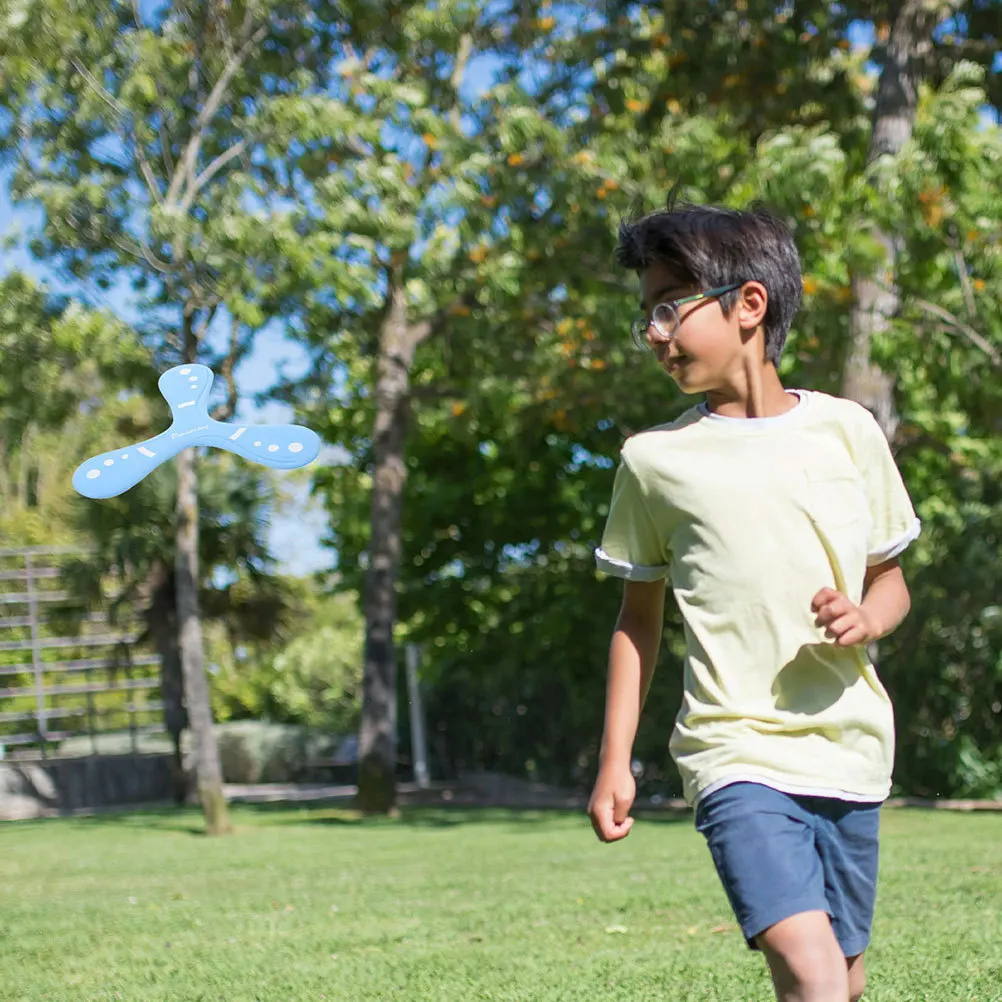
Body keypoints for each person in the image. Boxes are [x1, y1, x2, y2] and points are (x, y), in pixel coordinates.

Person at [587, 200, 921, 1002]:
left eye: (670, 307)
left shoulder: (848, 432)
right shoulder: (654, 461)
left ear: (748, 304)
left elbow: (891, 578)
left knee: (840, 977)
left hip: (847, 747)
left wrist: (868, 617)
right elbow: (638, 622)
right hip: (732, 748)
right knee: (810, 969)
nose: (656, 334)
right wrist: (613, 760)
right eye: (648, 317)